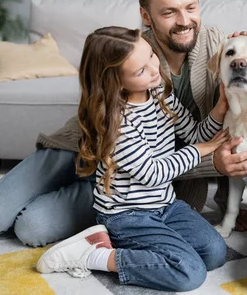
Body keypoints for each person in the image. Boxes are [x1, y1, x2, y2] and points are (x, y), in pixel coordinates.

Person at [0, 0, 247, 247]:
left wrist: (225, 200)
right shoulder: (132, 51)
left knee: (33, 228)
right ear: (146, 16)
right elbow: (197, 146)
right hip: (86, 147)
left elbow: (232, 117)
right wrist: (212, 160)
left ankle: (40, 197)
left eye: (191, 8)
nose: (184, 21)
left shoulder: (219, 45)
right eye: (169, 12)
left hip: (133, 183)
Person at [36, 27, 228, 291]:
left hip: (165, 205)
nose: (154, 68)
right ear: (114, 81)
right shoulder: (117, 122)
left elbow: (194, 133)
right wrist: (204, 149)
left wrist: (219, 111)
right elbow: (154, 174)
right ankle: (96, 254)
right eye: (140, 71)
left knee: (215, 252)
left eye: (151, 55)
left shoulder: (161, 93)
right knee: (190, 273)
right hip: (127, 215)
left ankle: (136, 244)